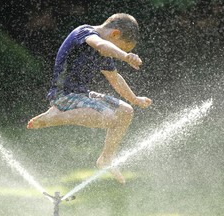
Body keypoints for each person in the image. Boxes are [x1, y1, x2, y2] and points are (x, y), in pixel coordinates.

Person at [27, 13, 152, 184]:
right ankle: (55, 116)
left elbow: (114, 78)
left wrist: (135, 99)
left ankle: (106, 159)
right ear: (114, 34)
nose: (118, 52)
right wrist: (125, 56)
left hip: (82, 94)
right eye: (121, 47)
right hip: (64, 95)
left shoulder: (104, 52)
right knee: (109, 117)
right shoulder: (84, 32)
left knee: (125, 112)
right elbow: (101, 45)